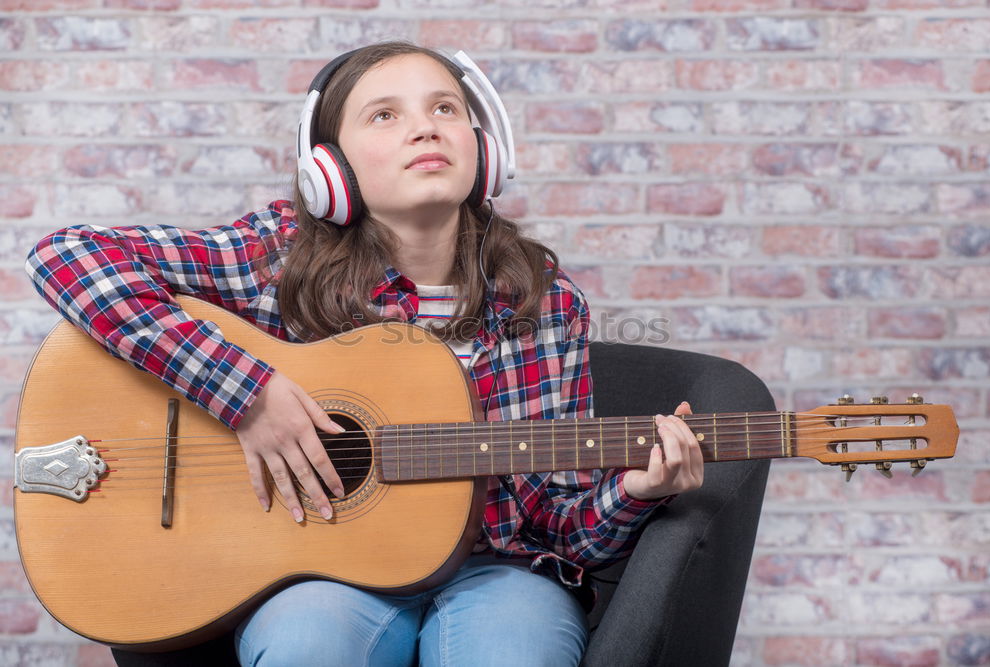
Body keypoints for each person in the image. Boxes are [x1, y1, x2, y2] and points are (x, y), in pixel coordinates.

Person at [26, 41, 704, 667]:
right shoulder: (277, 259)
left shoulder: (546, 305)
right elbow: (69, 256)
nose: (425, 126)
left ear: (485, 148)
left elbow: (565, 530)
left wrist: (633, 492)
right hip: (322, 568)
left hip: (501, 571)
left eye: (446, 108)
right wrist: (247, 394)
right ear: (330, 170)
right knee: (306, 645)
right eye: (385, 114)